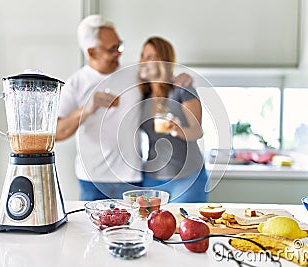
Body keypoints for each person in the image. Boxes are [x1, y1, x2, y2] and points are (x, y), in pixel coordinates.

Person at [56, 15, 193, 201]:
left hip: (132, 178)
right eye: (112, 49)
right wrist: (88, 108)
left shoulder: (134, 75)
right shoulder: (75, 84)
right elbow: (57, 133)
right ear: (92, 53)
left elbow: (163, 77)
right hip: (92, 180)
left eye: (120, 45)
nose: (119, 53)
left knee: (135, 228)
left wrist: (184, 77)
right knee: (91, 229)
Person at [138, 36, 209, 202]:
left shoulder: (182, 89)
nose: (142, 61)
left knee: (183, 226)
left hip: (187, 177)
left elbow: (197, 131)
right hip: (152, 179)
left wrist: (178, 129)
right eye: (142, 56)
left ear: (163, 60)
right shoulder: (142, 97)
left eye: (149, 56)